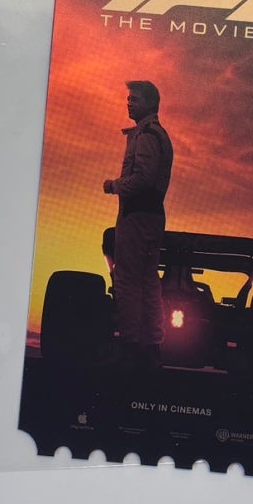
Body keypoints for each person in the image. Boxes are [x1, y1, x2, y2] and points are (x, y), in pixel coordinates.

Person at [103, 81, 173, 372]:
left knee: (129, 281)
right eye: (128, 98)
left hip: (138, 216)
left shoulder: (146, 136)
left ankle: (131, 347)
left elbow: (143, 179)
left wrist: (114, 186)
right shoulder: (156, 134)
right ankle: (150, 348)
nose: (129, 103)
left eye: (135, 99)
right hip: (151, 215)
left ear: (150, 103)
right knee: (147, 281)